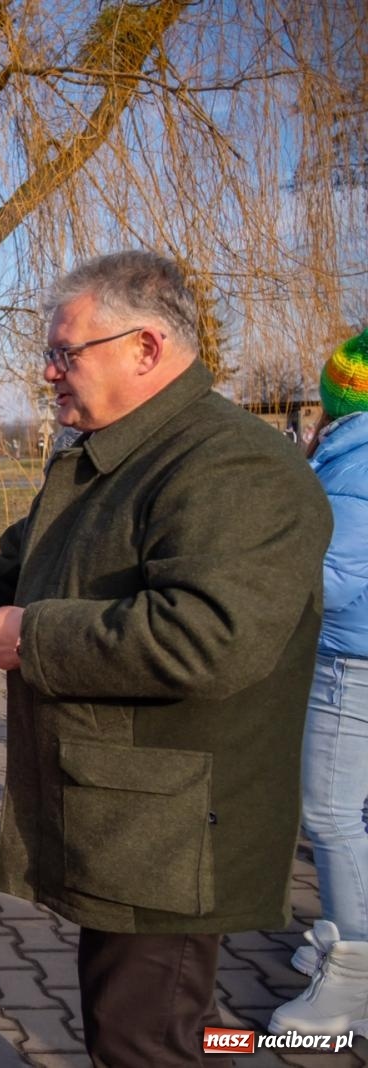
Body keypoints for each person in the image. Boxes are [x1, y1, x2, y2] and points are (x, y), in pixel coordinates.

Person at [0, 251, 332, 1065]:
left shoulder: (232, 465)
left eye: (67, 353)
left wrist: (32, 637)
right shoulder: (112, 454)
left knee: (144, 1040)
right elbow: (6, 570)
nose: (48, 373)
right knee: (135, 1027)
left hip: (172, 835)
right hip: (129, 821)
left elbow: (212, 636)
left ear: (146, 348)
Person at [269, 327, 368, 1036]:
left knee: (331, 814)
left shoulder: (359, 459)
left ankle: (353, 982)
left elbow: (334, 581)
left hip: (350, 659)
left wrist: (257, 571)